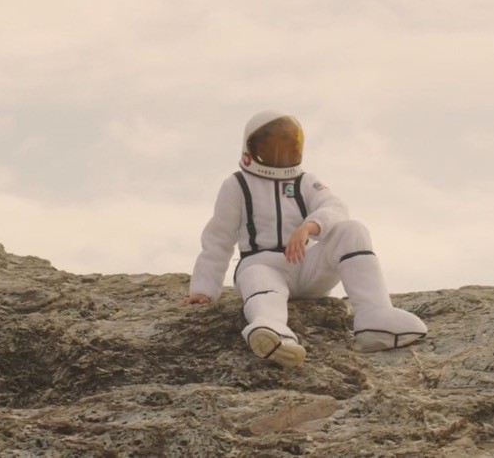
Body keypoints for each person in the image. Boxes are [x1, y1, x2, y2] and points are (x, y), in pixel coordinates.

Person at [183, 110, 427, 368]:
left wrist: (308, 227)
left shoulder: (306, 181)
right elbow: (218, 239)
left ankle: (374, 319)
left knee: (352, 230)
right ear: (251, 147)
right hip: (261, 264)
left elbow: (335, 207)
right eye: (271, 144)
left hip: (306, 266)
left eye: (288, 144)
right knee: (257, 277)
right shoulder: (236, 185)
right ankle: (273, 332)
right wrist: (203, 290)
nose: (280, 151)